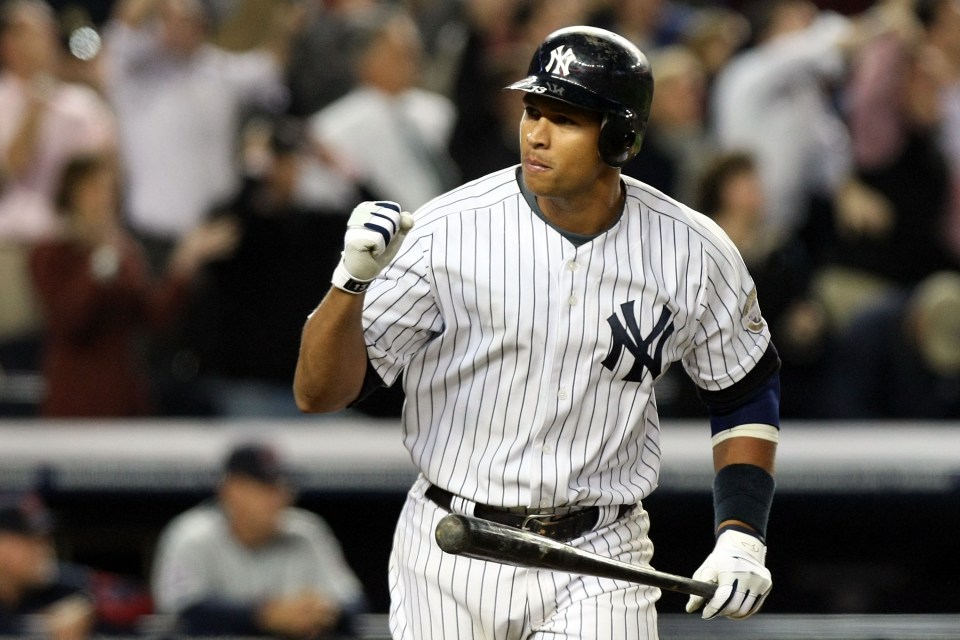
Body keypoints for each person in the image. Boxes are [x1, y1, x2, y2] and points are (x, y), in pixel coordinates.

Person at [295, 26, 780, 639]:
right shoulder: (445, 231)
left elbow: (744, 390)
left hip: (600, 553)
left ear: (620, 136)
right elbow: (318, 394)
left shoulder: (693, 249)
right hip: (451, 546)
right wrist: (348, 285)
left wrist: (741, 534)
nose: (537, 134)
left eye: (566, 118)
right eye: (532, 111)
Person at [28, 153, 238, 417]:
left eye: (110, 191)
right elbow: (70, 321)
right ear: (71, 196)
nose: (104, 200)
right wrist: (102, 262)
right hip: (75, 399)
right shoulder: (50, 254)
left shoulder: (124, 253)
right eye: (94, 190)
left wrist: (184, 262)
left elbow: (153, 316)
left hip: (122, 397)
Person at [151, 441, 368, 638]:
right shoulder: (191, 534)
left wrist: (324, 612)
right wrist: (266, 616)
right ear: (231, 490)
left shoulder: (307, 531)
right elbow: (184, 609)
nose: (280, 496)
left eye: (282, 486)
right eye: (265, 488)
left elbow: (352, 602)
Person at [0, 492, 153, 638]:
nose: (46, 547)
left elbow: (138, 598)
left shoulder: (60, 585)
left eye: (46, 538)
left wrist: (91, 608)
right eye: (32, 540)